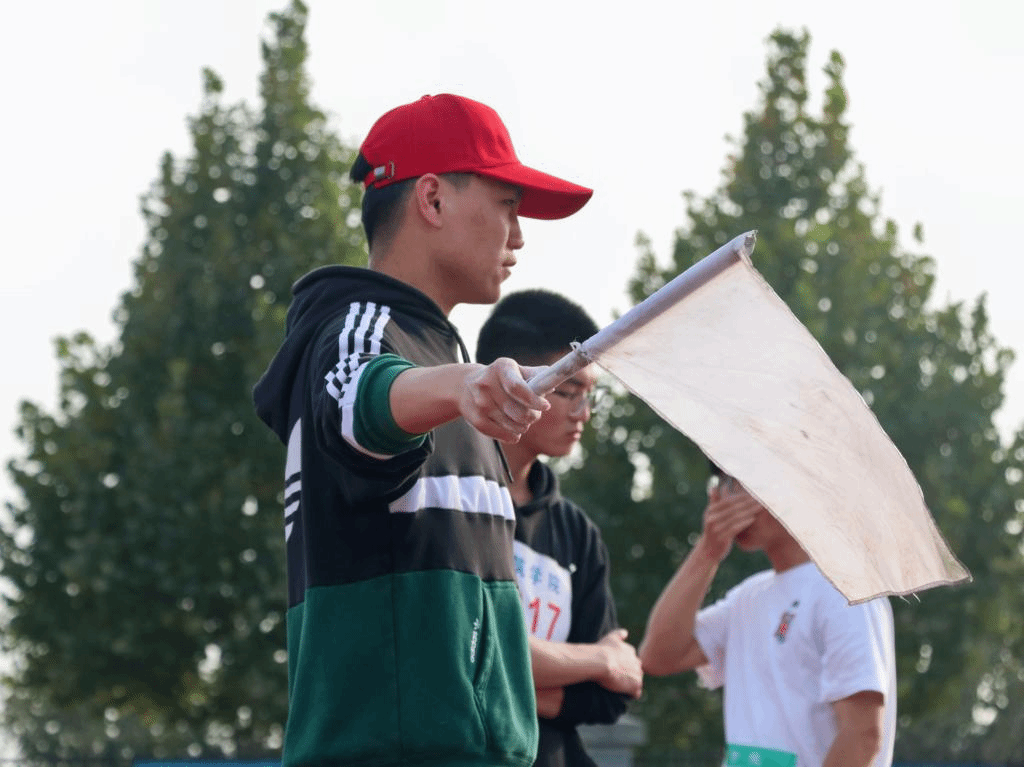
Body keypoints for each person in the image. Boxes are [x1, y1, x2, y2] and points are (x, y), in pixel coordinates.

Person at [252, 94, 593, 767]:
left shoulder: (441, 356)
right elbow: (360, 403)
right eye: (508, 205)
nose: (519, 236)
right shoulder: (356, 329)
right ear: (432, 199)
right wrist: (462, 385)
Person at [476, 290, 644, 767]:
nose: (583, 413)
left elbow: (612, 697)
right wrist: (599, 660)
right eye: (569, 391)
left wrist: (501, 686)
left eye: (590, 395)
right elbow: (463, 652)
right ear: (512, 378)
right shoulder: (453, 497)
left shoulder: (576, 532)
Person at [638, 464, 896, 767]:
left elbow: (863, 736)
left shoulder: (846, 593)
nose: (726, 499)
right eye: (723, 484)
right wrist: (707, 551)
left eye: (738, 482)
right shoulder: (748, 597)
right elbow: (658, 656)